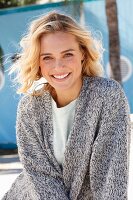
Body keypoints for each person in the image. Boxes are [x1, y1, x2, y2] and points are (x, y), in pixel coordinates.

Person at [2, 11, 130, 200]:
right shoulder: (29, 108)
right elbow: (40, 177)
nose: (58, 66)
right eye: (47, 57)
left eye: (67, 54)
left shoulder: (107, 96)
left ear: (83, 54)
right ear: (37, 62)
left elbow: (111, 176)